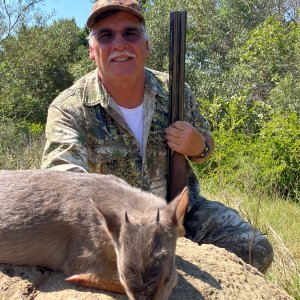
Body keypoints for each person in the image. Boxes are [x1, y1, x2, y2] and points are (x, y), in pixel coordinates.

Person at [41, 0, 273, 273]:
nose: (119, 44)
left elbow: (208, 147)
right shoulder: (69, 107)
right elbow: (62, 176)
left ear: (147, 46)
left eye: (130, 33)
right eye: (106, 35)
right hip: (118, 225)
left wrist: (198, 146)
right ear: (92, 50)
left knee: (254, 248)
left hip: (185, 213)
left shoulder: (174, 91)